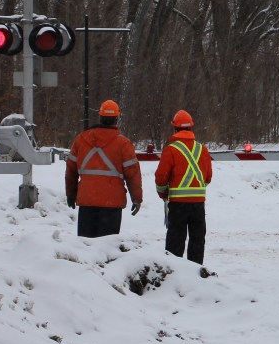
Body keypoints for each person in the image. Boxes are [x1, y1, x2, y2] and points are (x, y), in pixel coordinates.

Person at [65, 99, 143, 237]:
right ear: (117, 119)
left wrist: (71, 194)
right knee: (108, 250)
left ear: (100, 117)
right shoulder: (123, 143)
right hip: (112, 204)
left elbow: (71, 170)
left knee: (86, 247)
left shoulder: (81, 139)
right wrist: (136, 198)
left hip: (87, 201)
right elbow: (133, 174)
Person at [155, 109, 213, 265]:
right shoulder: (203, 149)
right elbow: (208, 177)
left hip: (178, 205)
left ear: (175, 128)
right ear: (191, 128)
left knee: (175, 241)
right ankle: (195, 274)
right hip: (198, 204)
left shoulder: (170, 150)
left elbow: (161, 178)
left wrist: (163, 193)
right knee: (197, 241)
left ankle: (174, 274)